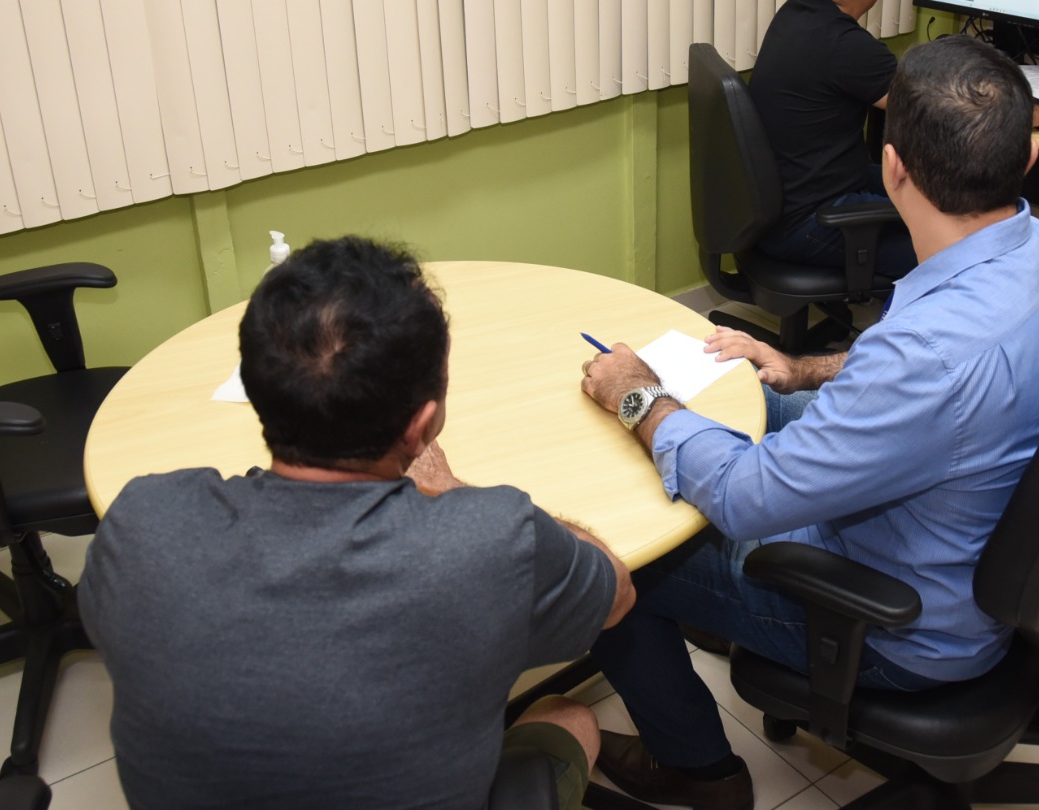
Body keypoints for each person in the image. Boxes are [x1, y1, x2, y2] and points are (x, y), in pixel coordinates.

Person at [579, 34, 1039, 810]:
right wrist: (802, 369)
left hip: (907, 625)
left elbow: (748, 498)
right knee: (759, 399)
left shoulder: (925, 356)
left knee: (606, 567)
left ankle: (700, 772)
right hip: (990, 550)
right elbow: (922, 383)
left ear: (893, 168)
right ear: (1026, 161)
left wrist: (637, 396)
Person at [79, 237, 635, 810]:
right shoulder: (489, 541)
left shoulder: (141, 524)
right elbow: (616, 593)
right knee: (567, 715)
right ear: (423, 425)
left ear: (259, 391)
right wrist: (448, 489)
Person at [750, 0, 1039, 277]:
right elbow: (945, 115)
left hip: (790, 199)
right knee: (959, 254)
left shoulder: (792, 16)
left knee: (937, 194)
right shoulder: (847, 47)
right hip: (809, 221)